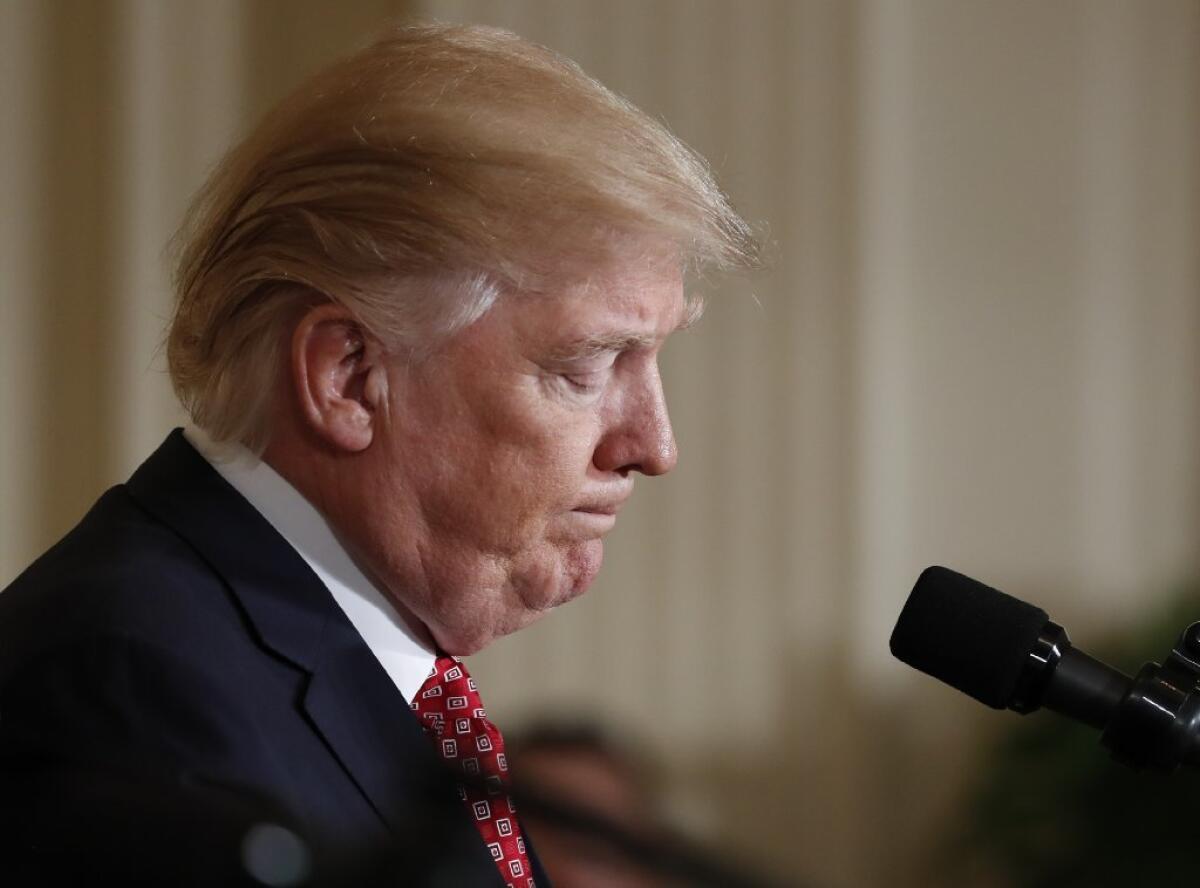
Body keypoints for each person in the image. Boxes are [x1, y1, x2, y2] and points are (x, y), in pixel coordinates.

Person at [0, 22, 756, 886]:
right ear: (348, 377)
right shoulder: (128, 685)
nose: (655, 446)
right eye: (585, 366)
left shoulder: (360, 668)